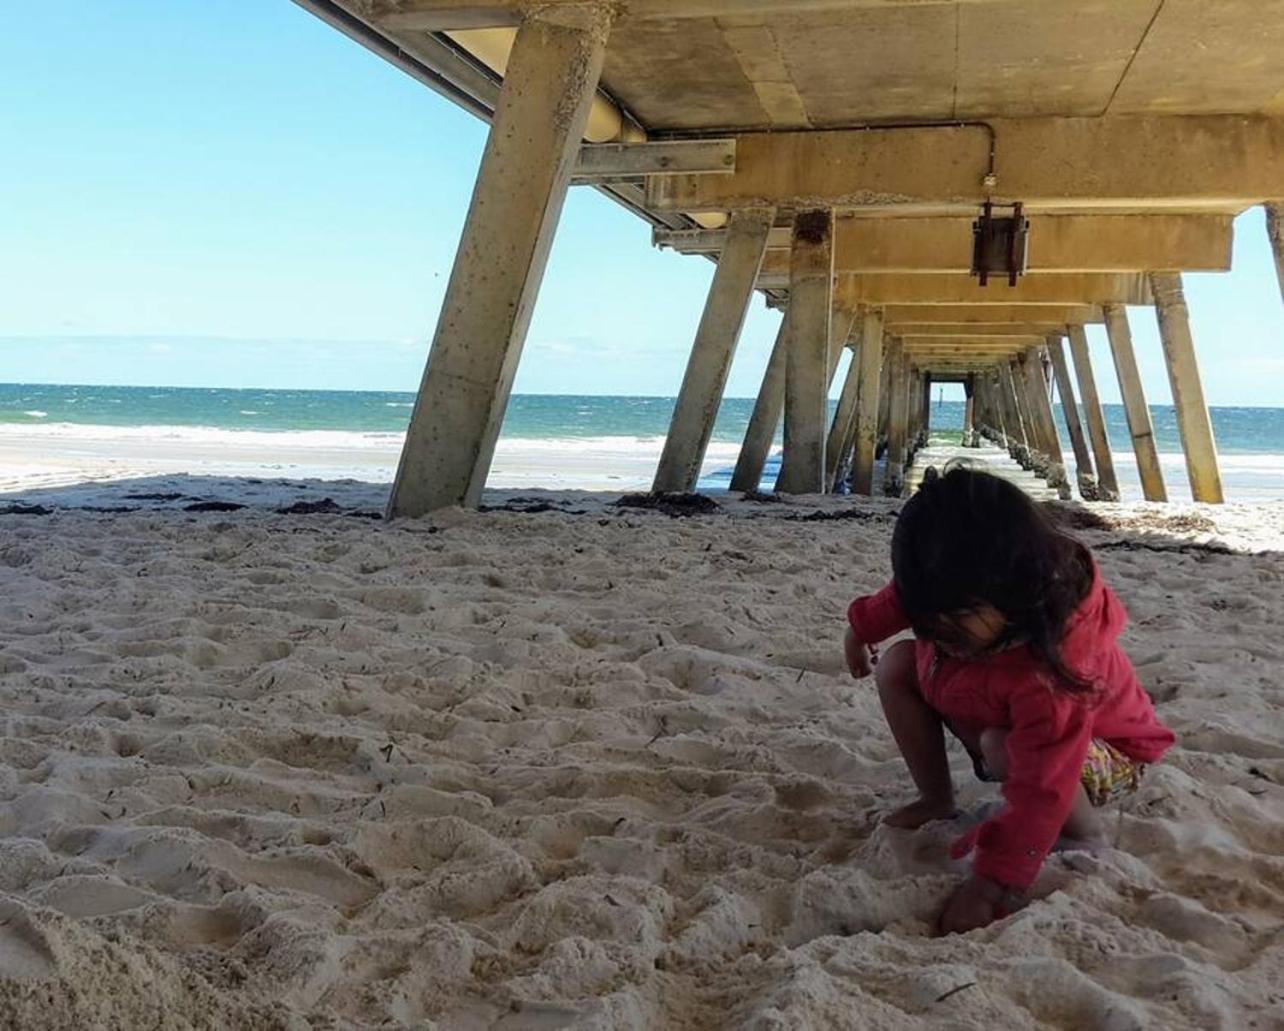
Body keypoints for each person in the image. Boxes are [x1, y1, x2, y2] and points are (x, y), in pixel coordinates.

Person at [844, 465, 1174, 934]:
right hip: (996, 710)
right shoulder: (954, 596)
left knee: (1005, 746)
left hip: (1104, 753)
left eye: (953, 623)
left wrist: (991, 885)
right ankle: (936, 797)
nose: (937, 634)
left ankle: (1084, 831)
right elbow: (907, 597)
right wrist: (859, 631)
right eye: (928, 621)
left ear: (1013, 589)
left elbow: (1044, 780)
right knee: (899, 663)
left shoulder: (1053, 669)